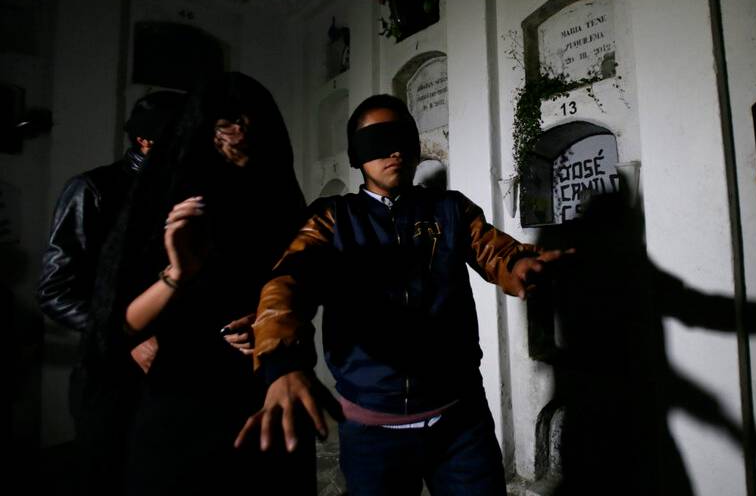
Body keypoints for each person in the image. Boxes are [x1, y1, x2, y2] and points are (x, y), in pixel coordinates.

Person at [236, 94, 569, 495]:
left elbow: (494, 250)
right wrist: (282, 360)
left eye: (401, 138)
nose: (393, 150)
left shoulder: (450, 210)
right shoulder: (331, 218)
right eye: (378, 141)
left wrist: (518, 265)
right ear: (356, 155)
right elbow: (288, 282)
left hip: (460, 423)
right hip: (372, 431)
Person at [93, 72, 314, 495]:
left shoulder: (280, 203)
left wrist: (270, 323)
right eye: (227, 122)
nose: (240, 135)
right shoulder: (166, 203)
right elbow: (118, 326)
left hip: (263, 392)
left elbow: (303, 290)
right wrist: (177, 274)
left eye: (252, 123)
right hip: (182, 400)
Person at [38, 90, 183, 496]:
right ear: (145, 140)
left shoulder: (187, 195)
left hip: (176, 376)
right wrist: (126, 339)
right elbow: (55, 290)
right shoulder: (91, 189)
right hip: (110, 376)